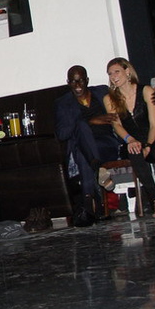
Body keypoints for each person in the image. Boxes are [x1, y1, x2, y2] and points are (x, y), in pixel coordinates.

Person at [104, 57, 155, 217]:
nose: (113, 76)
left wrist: (148, 145)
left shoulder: (146, 91)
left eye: (117, 71)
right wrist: (130, 140)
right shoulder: (110, 99)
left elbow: (154, 124)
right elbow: (116, 125)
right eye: (110, 74)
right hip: (130, 140)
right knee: (135, 154)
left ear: (127, 71)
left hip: (151, 137)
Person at [54, 65, 121, 222]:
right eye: (73, 82)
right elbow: (62, 134)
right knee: (81, 132)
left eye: (81, 81)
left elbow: (125, 99)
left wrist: (151, 95)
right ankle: (97, 170)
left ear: (87, 80)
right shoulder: (62, 103)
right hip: (82, 147)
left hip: (106, 144)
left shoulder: (102, 92)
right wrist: (89, 121)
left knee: (82, 153)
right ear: (68, 83)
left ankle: (88, 205)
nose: (77, 85)